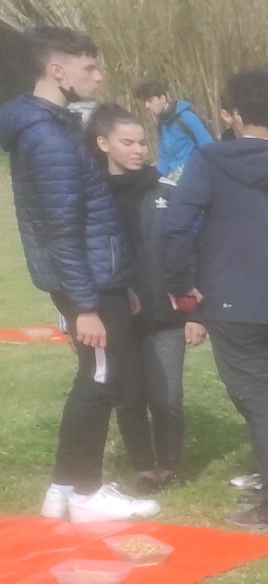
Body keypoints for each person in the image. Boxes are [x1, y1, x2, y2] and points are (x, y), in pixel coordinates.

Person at [159, 68, 268, 532]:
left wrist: (180, 283)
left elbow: (177, 225)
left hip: (235, 300)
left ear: (233, 113)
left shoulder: (209, 161)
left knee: (261, 400)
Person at [1, 26, 158, 523]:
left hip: (97, 278)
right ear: (56, 70)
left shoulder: (53, 126)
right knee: (101, 383)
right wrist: (86, 306)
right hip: (86, 283)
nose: (97, 76)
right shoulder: (47, 136)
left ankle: (62, 488)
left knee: (93, 378)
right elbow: (62, 229)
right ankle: (88, 496)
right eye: (88, 67)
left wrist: (117, 283)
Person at [88, 103, 202, 495]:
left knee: (167, 397)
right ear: (103, 143)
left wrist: (195, 313)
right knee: (129, 396)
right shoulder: (92, 195)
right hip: (116, 317)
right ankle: (144, 468)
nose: (138, 150)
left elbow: (191, 254)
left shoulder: (168, 192)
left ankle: (169, 463)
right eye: (128, 142)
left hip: (165, 316)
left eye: (142, 142)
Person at [133, 81, 211, 180]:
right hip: (174, 177)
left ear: (162, 98)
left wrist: (181, 171)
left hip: (195, 174)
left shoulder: (186, 117)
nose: (147, 105)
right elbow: (164, 156)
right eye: (145, 102)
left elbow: (207, 146)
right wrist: (159, 178)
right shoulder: (162, 126)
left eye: (149, 100)